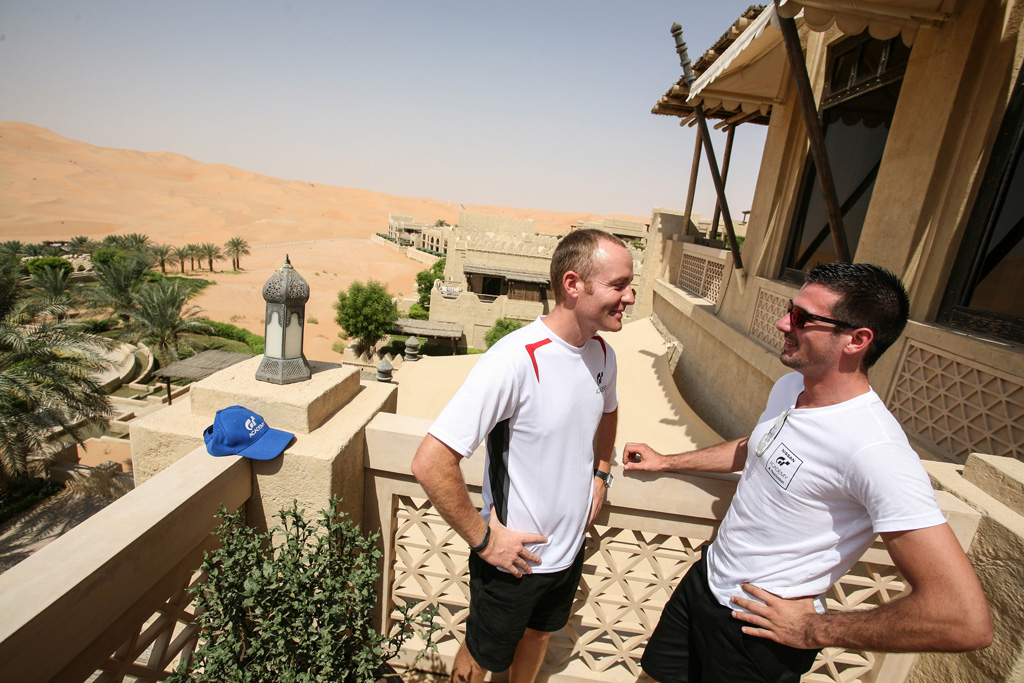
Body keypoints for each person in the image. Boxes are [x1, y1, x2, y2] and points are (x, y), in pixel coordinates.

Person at [624, 262, 992, 683]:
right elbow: (758, 446)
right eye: (789, 309)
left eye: (801, 317)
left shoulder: (875, 451)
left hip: (758, 632)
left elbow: (962, 618)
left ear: (857, 340)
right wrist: (668, 461)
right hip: (706, 582)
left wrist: (815, 630)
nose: (783, 323)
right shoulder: (790, 388)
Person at [411, 229, 635, 683]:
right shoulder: (514, 359)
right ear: (573, 284)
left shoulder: (603, 356)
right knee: (480, 654)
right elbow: (430, 462)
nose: (629, 297)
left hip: (568, 552)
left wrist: (601, 473)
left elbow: (608, 411)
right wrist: (485, 541)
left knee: (538, 636)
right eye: (619, 285)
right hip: (513, 560)